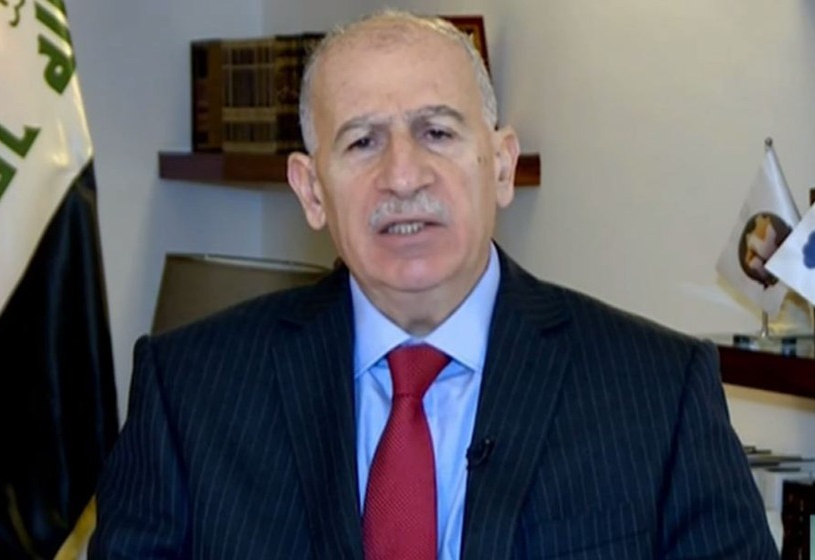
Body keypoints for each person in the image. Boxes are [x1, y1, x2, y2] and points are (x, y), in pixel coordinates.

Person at [90, 9, 778, 560]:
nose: (402, 176)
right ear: (311, 191)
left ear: (501, 166)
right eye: (362, 142)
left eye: (438, 133)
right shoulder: (189, 393)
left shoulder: (658, 393)